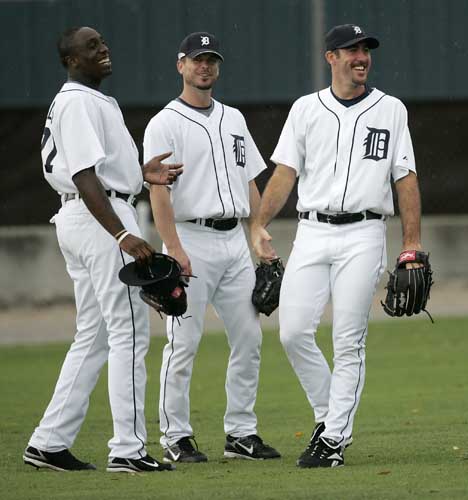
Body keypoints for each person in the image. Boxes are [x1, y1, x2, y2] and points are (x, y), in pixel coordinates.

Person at [251, 24, 424, 468]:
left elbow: (404, 178)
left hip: (364, 233)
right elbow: (285, 173)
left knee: (349, 341)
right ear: (331, 57)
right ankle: (329, 418)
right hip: (312, 230)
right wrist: (259, 224)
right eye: (351, 50)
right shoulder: (306, 109)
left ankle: (332, 442)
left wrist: (411, 244)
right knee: (292, 332)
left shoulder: (391, 109)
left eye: (366, 49)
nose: (361, 56)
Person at [23, 26, 183, 473]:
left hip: (89, 216)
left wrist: (138, 174)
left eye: (103, 42)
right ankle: (128, 450)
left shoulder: (92, 100)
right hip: (98, 221)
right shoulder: (76, 100)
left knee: (92, 337)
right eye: (91, 46)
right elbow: (84, 175)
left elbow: (101, 172)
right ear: (73, 60)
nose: (103, 49)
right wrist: (119, 234)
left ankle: (48, 442)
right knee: (129, 333)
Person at [143, 32, 280, 463]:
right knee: (183, 342)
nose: (205, 66)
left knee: (249, 338)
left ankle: (240, 433)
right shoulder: (164, 122)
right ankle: (175, 437)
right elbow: (158, 192)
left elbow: (250, 182)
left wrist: (257, 231)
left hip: (233, 241)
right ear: (181, 65)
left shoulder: (234, 118)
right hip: (192, 239)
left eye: (211, 60)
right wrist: (172, 247)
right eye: (197, 59)